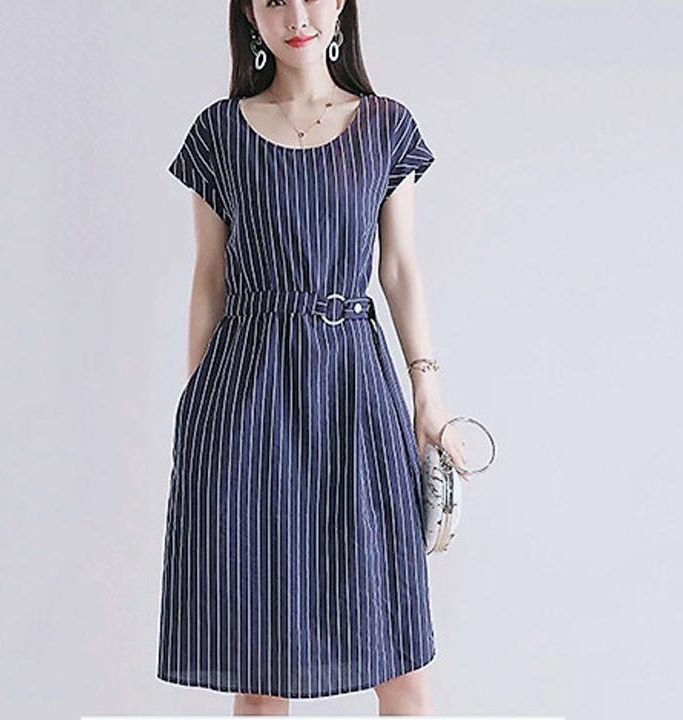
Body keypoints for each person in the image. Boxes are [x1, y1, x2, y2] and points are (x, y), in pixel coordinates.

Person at [157, 0, 467, 715]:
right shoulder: (219, 132)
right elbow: (210, 277)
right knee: (261, 670)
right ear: (249, 15)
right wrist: (195, 409)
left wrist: (427, 395)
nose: (296, 14)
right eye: (273, 0)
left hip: (356, 389)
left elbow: (400, 270)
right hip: (245, 395)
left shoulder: (386, 126)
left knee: (401, 662)